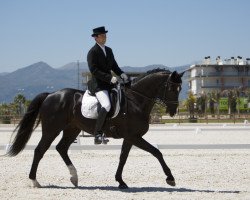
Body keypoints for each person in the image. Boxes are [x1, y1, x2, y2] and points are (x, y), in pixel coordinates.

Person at [87, 26, 129, 144]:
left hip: (111, 84)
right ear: (96, 38)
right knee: (106, 105)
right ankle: (98, 134)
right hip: (99, 85)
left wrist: (122, 74)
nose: (105, 37)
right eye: (102, 35)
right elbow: (94, 70)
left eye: (105, 35)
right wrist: (109, 78)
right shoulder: (92, 52)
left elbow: (114, 66)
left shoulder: (109, 50)